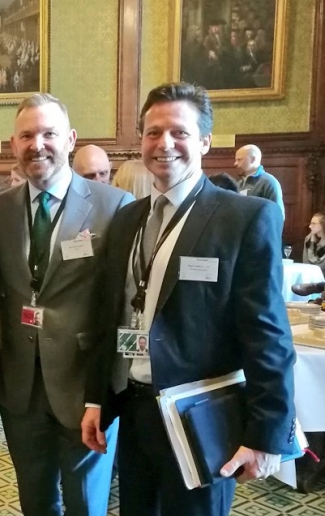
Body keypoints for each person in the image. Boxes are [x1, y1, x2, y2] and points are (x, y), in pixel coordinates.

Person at [82, 82, 297, 516]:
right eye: (152, 132)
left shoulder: (244, 218)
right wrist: (96, 399)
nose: (164, 144)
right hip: (136, 410)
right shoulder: (128, 218)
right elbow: (112, 316)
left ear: (204, 140)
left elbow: (267, 332)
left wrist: (266, 434)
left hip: (199, 417)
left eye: (179, 132)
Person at [0, 94, 132, 516]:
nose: (38, 144)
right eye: (27, 135)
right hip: (20, 387)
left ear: (69, 139)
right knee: (35, 499)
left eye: (48, 133)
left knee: (87, 502)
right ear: (13, 144)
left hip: (86, 383)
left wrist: (105, 391)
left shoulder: (113, 207)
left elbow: (120, 306)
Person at [234, 144, 284, 218]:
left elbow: (278, 216)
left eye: (239, 160)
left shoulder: (269, 182)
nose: (235, 164)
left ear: (253, 159)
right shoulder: (239, 183)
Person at [302, 212, 325, 277]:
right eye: (310, 223)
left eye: (314, 224)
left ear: (322, 225)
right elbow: (305, 262)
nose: (310, 226)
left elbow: (322, 267)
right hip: (309, 275)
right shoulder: (308, 239)